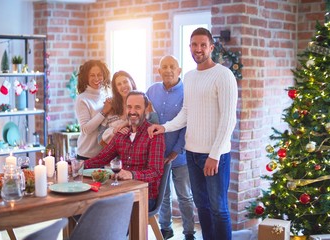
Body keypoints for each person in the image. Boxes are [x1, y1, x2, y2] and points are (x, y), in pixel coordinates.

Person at [148, 28, 238, 240]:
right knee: (202, 207)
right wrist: (164, 127)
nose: (198, 49)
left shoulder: (223, 75)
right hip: (192, 154)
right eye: (194, 45)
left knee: (219, 208)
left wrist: (215, 154)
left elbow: (228, 119)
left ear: (211, 48)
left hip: (215, 156)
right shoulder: (189, 76)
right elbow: (186, 113)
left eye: (203, 45)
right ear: (190, 48)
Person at [85, 90, 165, 210]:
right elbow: (101, 158)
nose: (132, 111)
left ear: (146, 109)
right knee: (86, 205)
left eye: (137, 107)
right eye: (129, 107)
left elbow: (155, 172)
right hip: (121, 192)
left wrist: (130, 174)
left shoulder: (154, 134)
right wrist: (78, 166)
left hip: (144, 196)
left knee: (104, 211)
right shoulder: (121, 134)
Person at [146, 55, 196, 240]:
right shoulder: (151, 91)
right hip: (157, 156)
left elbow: (187, 124)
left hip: (180, 156)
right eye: (164, 67)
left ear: (179, 70)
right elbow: (148, 121)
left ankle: (189, 232)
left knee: (184, 195)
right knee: (163, 195)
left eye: (171, 66)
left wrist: (176, 150)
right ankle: (165, 229)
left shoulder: (187, 92)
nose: (168, 70)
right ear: (159, 71)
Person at [98, 70, 158, 146]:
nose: (123, 86)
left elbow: (155, 128)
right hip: (116, 156)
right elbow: (100, 138)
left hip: (140, 155)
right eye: (119, 84)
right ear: (116, 89)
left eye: (125, 82)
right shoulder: (111, 107)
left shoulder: (145, 102)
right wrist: (114, 132)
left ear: (131, 82)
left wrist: (125, 124)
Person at [75, 60, 112, 160]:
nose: (96, 78)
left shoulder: (106, 95)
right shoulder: (82, 99)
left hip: (104, 154)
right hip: (86, 155)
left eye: (99, 75)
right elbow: (86, 129)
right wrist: (104, 111)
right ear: (86, 77)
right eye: (92, 75)